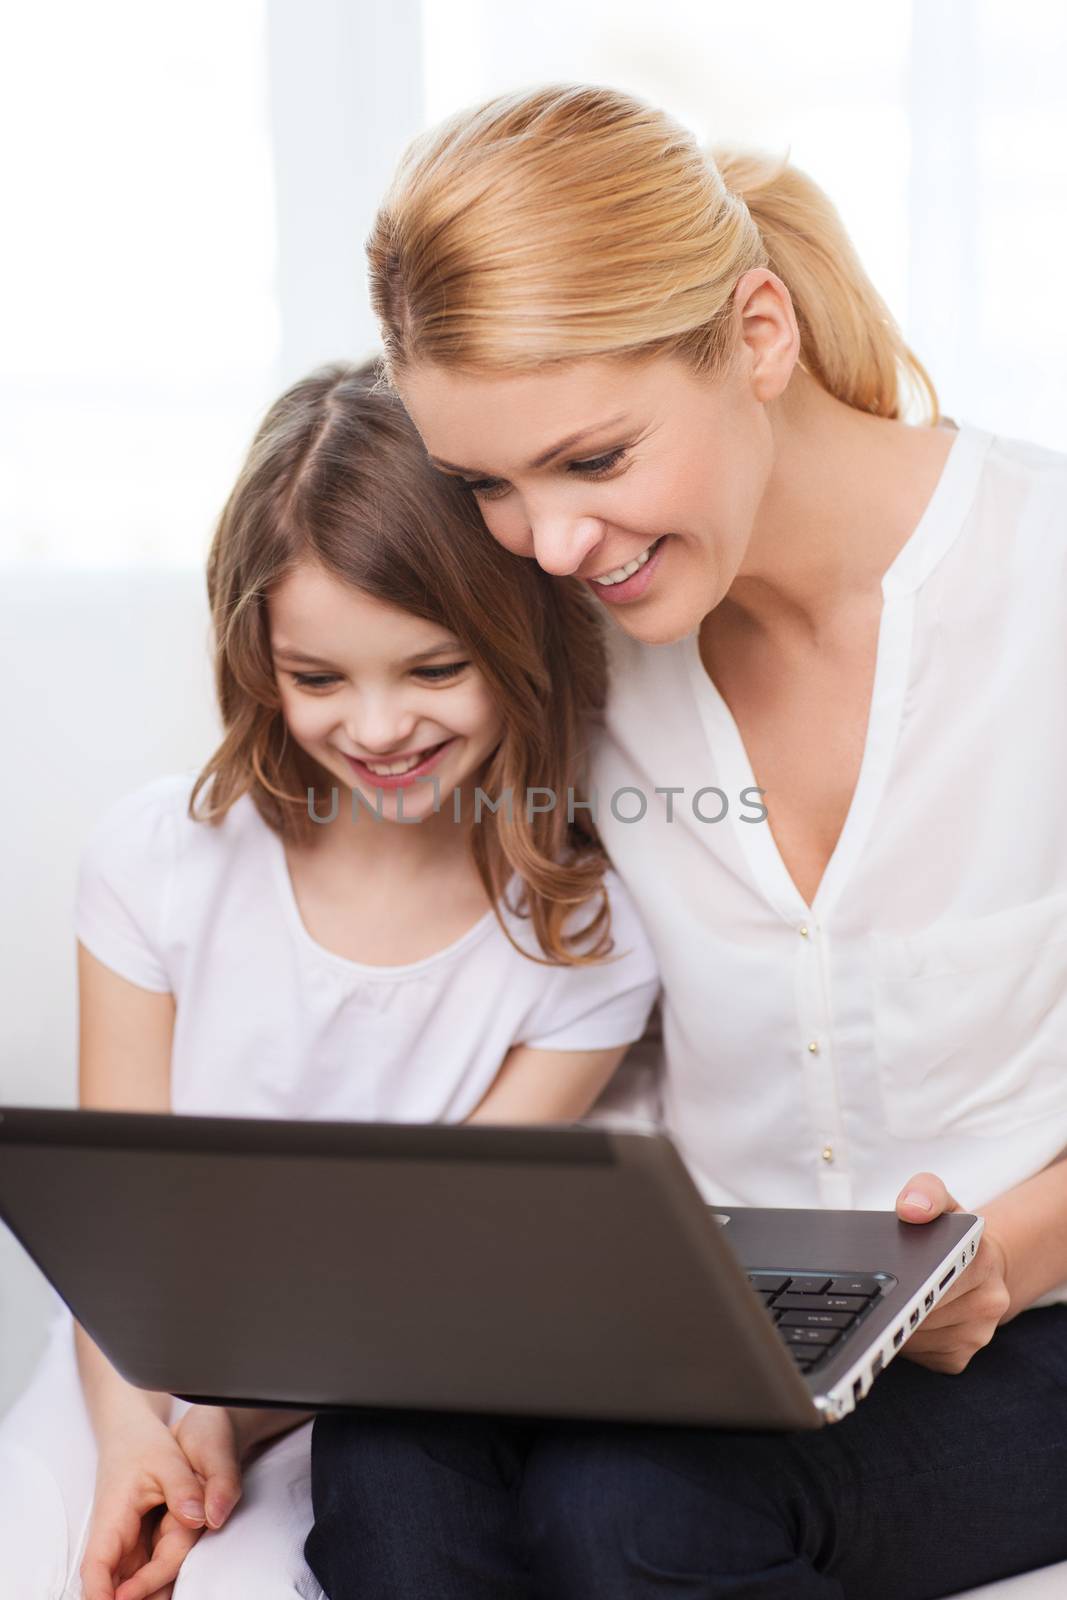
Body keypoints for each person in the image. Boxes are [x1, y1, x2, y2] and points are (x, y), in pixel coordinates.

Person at [301, 85, 1067, 1599]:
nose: (550, 543)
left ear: (757, 336)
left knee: (624, 1512)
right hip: (689, 1310)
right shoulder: (573, 652)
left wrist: (1010, 1250)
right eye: (488, 487)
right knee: (386, 1452)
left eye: (591, 459)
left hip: (1022, 1324)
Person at [0, 362, 660, 1600]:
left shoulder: (583, 943)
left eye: (430, 669)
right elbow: (114, 1237)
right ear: (259, 660)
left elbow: (419, 1283)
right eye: (318, 680)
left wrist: (230, 1428)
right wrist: (141, 1426)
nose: (375, 726)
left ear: (522, 647)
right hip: (123, 1371)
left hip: (352, 1394)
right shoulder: (156, 862)